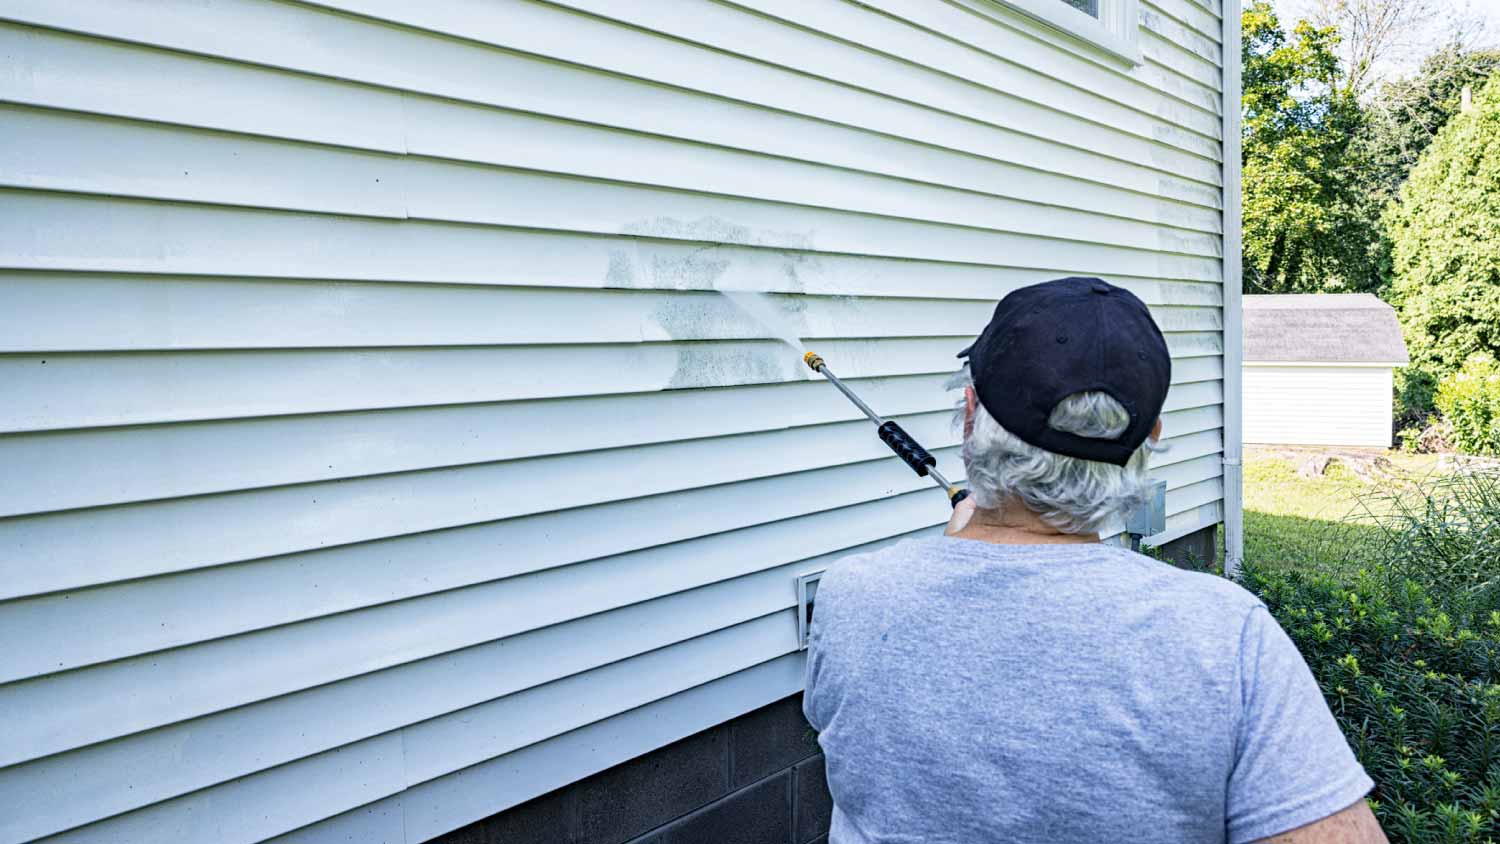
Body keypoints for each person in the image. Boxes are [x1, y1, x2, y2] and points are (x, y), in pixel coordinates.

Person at [802, 277, 1385, 844]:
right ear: (1149, 436)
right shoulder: (1224, 635)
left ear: (972, 411)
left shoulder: (852, 596)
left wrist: (969, 539)